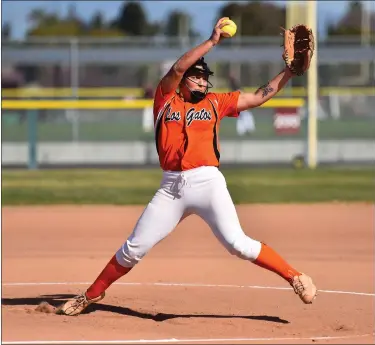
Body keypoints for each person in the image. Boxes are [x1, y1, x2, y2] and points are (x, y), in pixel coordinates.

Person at [59, 17, 317, 316]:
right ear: (182, 82)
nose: (203, 81)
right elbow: (178, 68)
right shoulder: (165, 99)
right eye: (198, 77)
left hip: (208, 182)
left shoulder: (214, 103)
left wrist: (288, 72)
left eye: (205, 77)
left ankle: (296, 277)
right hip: (171, 188)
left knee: (238, 244)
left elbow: (258, 97)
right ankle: (90, 295)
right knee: (134, 248)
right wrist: (211, 42)